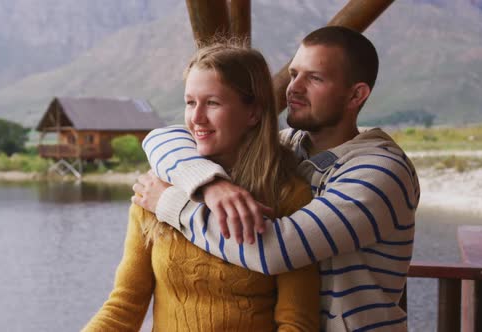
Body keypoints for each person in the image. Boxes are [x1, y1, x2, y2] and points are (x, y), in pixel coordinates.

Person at [134, 26, 420, 331]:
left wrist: (171, 203)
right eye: (294, 73)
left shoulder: (381, 172)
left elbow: (276, 251)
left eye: (314, 78)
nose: (293, 87)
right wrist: (211, 185)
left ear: (355, 95)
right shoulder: (290, 147)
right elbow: (163, 138)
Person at [82, 42, 320, 331]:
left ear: (253, 113)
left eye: (213, 103)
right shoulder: (156, 189)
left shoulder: (288, 195)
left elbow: (297, 324)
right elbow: (124, 306)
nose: (196, 119)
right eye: (190, 102)